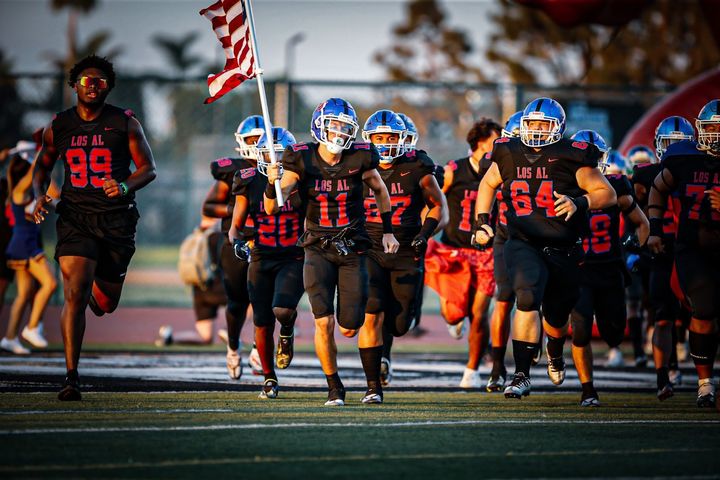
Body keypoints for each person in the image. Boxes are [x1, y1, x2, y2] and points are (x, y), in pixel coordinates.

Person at [32, 55, 157, 400]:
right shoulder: (58, 126)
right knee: (75, 292)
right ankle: (72, 377)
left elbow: (149, 168)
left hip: (117, 220)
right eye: (86, 80)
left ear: (109, 87)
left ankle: (98, 295)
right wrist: (38, 197)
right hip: (75, 218)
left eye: (100, 81)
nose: (93, 86)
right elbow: (41, 169)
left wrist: (126, 185)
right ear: (74, 85)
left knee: (105, 303)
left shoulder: (125, 123)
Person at [473, 97, 616, 399]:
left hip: (564, 247)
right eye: (532, 124)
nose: (537, 130)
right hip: (523, 240)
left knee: (556, 317)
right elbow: (487, 184)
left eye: (543, 124)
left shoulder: (570, 155)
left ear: (558, 127)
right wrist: (482, 221)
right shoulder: (508, 152)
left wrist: (580, 202)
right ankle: (521, 374)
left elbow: (607, 193)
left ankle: (554, 352)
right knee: (525, 297)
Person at [265, 97, 399, 406]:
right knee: (322, 322)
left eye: (344, 126)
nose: (339, 132)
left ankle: (364, 380)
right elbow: (274, 206)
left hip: (353, 246)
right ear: (319, 127)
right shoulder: (302, 159)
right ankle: (334, 386)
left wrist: (388, 229)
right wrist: (271, 185)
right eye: (333, 125)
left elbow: (380, 189)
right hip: (317, 247)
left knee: (350, 327)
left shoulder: (361, 158)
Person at [360, 109, 447, 400]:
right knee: (372, 310)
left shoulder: (417, 166)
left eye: (390, 137)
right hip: (370, 247)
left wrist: (424, 235)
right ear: (368, 139)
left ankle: (389, 347)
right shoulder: (357, 165)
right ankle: (373, 386)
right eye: (379, 137)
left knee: (398, 324)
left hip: (406, 247)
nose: (385, 142)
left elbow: (438, 207)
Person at [568, 131, 649, 407]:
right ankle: (587, 389)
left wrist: (633, 249)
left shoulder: (617, 186)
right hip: (579, 269)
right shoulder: (566, 186)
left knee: (614, 331)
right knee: (579, 329)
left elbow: (642, 223)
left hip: (610, 268)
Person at [648, 99, 720, 408]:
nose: (716, 135)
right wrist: (652, 227)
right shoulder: (682, 158)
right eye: (711, 129)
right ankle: (705, 383)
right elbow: (658, 188)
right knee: (703, 310)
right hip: (692, 247)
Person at [424, 118, 501, 389]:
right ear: (479, 142)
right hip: (454, 250)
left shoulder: (500, 170)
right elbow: (434, 202)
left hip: (485, 252)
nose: (498, 146)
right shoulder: (455, 170)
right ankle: (455, 321)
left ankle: (472, 369)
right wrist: (422, 232)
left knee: (479, 314)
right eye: (494, 141)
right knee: (454, 313)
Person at [230, 126, 305, 399]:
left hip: (293, 255)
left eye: (280, 156)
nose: (273, 161)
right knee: (261, 321)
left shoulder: (300, 180)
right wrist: (236, 242)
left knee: (282, 310)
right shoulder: (248, 179)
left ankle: (287, 331)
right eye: (267, 155)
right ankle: (269, 377)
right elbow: (235, 225)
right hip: (261, 254)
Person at [202, 115, 261, 379]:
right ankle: (234, 348)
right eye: (252, 139)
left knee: (268, 300)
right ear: (242, 142)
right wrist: (238, 207)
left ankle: (261, 348)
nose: (258, 144)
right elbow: (208, 207)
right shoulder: (233, 171)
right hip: (236, 241)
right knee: (238, 301)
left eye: (262, 140)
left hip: (268, 242)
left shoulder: (279, 168)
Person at [2, 141, 58, 354]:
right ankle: (32, 327)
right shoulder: (17, 191)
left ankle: (9, 338)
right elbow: (36, 169)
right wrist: (43, 152)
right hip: (24, 245)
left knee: (24, 294)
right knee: (50, 283)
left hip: (25, 244)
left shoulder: (31, 195)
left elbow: (54, 199)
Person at [486, 111, 522, 392]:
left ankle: (538, 347)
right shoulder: (500, 160)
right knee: (504, 298)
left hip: (541, 237)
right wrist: (481, 225)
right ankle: (497, 365)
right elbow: (485, 192)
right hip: (506, 235)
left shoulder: (551, 161)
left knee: (536, 299)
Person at [156, 216, 226, 347]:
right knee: (252, 302)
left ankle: (170, 338)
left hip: (197, 289)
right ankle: (229, 330)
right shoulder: (218, 237)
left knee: (205, 337)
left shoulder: (193, 238)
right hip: (216, 287)